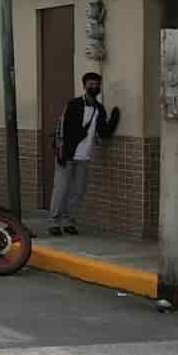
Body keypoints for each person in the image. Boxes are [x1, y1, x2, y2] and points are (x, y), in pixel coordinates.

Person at [48, 71, 119, 236]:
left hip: (84, 157)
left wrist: (114, 118)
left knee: (78, 191)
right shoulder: (73, 104)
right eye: (91, 84)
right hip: (67, 155)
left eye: (97, 84)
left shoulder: (99, 109)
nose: (94, 86)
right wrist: (60, 152)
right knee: (61, 189)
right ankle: (54, 222)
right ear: (84, 85)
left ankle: (69, 221)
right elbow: (62, 128)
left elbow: (103, 133)